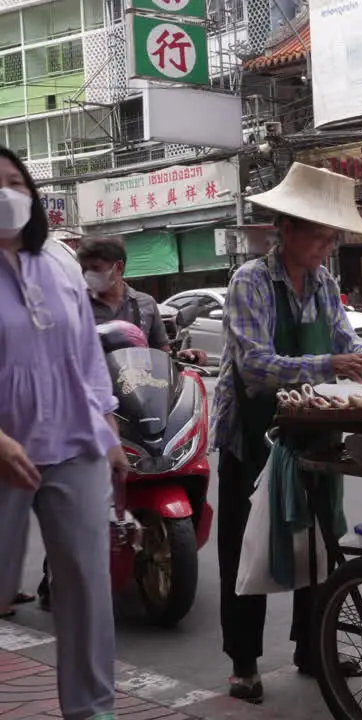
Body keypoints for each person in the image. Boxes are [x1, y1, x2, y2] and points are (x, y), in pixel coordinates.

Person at [210, 163, 362, 703]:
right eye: (318, 235)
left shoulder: (326, 283)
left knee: (321, 542)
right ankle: (244, 663)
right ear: (285, 229)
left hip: (315, 430)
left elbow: (347, 347)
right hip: (254, 434)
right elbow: (257, 367)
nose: (326, 247)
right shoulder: (251, 282)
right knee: (246, 547)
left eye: (332, 237)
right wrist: (330, 363)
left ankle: (314, 646)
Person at [0, 145, 130, 720]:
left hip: (74, 445)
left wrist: (107, 430)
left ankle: (92, 711)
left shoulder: (56, 258)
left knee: (85, 585)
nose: (7, 194)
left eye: (14, 181)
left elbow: (85, 355)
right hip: (4, 449)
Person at [77, 236, 207, 364]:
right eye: (84, 269)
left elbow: (161, 353)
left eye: (95, 268)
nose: (87, 275)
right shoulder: (77, 306)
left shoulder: (146, 303)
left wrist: (180, 356)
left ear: (119, 267)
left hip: (138, 382)